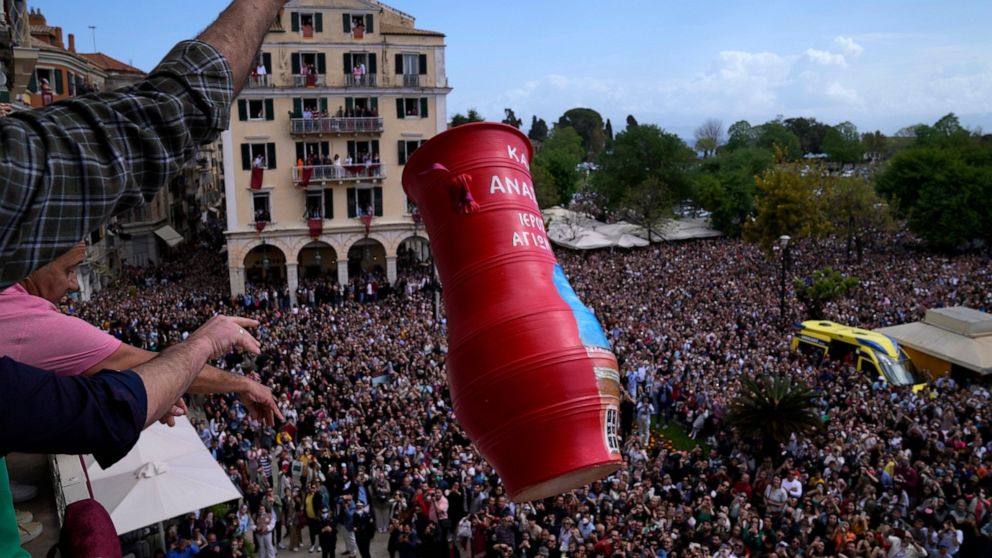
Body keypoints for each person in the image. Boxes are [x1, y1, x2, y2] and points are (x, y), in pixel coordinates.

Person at [0, 1, 288, 554]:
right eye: (68, 271)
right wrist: (217, 353)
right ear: (28, 253)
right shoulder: (24, 315)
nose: (69, 290)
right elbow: (131, 381)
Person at [0, 242, 282, 424]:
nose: (74, 285)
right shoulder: (36, 324)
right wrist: (239, 379)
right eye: (69, 271)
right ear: (30, 265)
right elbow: (157, 365)